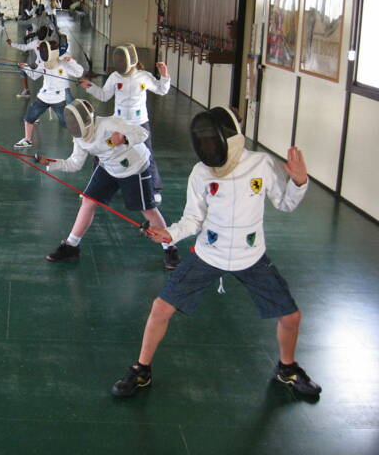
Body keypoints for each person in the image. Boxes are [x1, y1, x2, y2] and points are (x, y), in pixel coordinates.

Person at [111, 107, 321, 398]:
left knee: (291, 317)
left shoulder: (261, 164)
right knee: (160, 308)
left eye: (213, 141)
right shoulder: (200, 173)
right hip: (209, 254)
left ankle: (287, 369)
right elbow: (193, 220)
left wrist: (299, 182)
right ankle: (141, 370)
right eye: (204, 142)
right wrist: (170, 233)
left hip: (252, 257)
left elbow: (285, 204)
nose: (208, 148)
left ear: (230, 138)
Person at [35, 99, 180, 270]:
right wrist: (50, 162)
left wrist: (124, 138)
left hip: (134, 168)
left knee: (148, 210)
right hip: (108, 167)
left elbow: (142, 133)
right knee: (88, 201)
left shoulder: (111, 123)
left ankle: (170, 248)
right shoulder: (80, 138)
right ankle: (71, 246)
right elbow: (74, 164)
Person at [80, 44, 170, 204]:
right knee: (103, 151)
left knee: (147, 154)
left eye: (123, 60)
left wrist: (164, 75)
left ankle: (153, 189)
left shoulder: (144, 76)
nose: (120, 63)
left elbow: (162, 90)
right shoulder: (115, 77)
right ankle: (95, 190)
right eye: (118, 60)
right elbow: (103, 95)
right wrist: (90, 87)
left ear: (131, 60)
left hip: (140, 123)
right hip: (118, 124)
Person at [13, 42, 83, 148]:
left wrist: (72, 61)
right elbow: (34, 76)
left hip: (58, 99)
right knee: (29, 117)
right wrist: (26, 67)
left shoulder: (64, 63)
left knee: (66, 123)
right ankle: (27, 140)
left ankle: (80, 141)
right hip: (43, 97)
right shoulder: (43, 64)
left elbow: (79, 73)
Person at [7, 25, 49, 99]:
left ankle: (26, 90)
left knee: (22, 68)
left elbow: (24, 47)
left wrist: (11, 44)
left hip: (44, 68)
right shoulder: (47, 43)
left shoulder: (36, 43)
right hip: (45, 67)